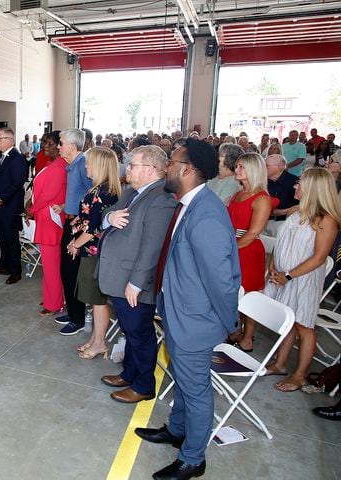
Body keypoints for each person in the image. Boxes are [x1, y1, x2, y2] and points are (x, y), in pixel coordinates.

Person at [136, 138, 241, 480]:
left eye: (172, 161)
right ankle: (178, 430)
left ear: (187, 169)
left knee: (195, 390)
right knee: (182, 378)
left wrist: (229, 323)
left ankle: (193, 459)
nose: (166, 167)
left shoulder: (207, 214)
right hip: (178, 311)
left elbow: (222, 281)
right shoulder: (187, 204)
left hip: (196, 321)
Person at [97, 145, 177, 403]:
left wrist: (136, 283)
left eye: (133, 165)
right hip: (119, 274)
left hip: (133, 279)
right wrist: (110, 217)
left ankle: (143, 385)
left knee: (140, 334)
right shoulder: (133, 191)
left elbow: (152, 247)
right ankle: (130, 373)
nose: (127, 168)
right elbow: (105, 215)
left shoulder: (161, 198)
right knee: (129, 330)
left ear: (151, 170)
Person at [264, 168, 341, 392]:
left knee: (303, 325)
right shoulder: (296, 212)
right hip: (283, 274)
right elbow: (282, 243)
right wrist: (273, 267)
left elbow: (318, 258)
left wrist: (288, 275)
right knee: (287, 322)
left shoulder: (326, 220)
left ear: (314, 189)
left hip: (303, 279)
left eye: (300, 183)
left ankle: (300, 376)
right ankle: (280, 364)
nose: (295, 186)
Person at [68, 147, 121, 359]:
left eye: (89, 163)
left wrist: (75, 244)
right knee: (93, 298)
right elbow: (87, 220)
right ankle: (95, 339)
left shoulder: (104, 193)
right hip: (91, 250)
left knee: (97, 300)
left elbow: (93, 229)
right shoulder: (99, 189)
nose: (86, 166)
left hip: (96, 252)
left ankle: (99, 343)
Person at [228, 153, 274, 352]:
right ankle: (235, 330)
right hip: (233, 245)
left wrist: (230, 249)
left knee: (248, 293)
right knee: (233, 291)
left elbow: (253, 232)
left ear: (253, 170)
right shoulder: (238, 193)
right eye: (237, 166)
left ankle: (248, 337)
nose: (237, 170)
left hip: (248, 250)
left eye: (241, 167)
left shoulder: (262, 198)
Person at [56, 128, 92, 335]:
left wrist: (79, 216)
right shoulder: (73, 165)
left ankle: (77, 318)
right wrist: (65, 206)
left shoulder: (81, 165)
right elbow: (79, 195)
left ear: (71, 145)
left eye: (61, 143)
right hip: (71, 221)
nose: (59, 147)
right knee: (67, 271)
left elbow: (93, 195)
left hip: (79, 226)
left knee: (72, 273)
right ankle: (72, 312)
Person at [27, 131, 67, 316]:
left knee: (51, 265)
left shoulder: (59, 166)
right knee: (49, 264)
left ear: (59, 146)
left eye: (50, 143)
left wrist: (31, 209)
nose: (46, 146)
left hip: (50, 220)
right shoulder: (54, 164)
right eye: (44, 142)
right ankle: (53, 296)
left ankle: (54, 303)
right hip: (45, 218)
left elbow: (48, 195)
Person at [0, 128, 27, 284]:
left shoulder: (17, 158)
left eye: (0, 138)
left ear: (10, 140)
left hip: (10, 205)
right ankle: (4, 266)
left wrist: (1, 199)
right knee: (2, 238)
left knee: (11, 240)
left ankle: (15, 271)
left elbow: (17, 183)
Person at [265, 153, 300, 236]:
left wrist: (282, 212)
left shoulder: (294, 182)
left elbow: (302, 206)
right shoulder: (263, 181)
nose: (263, 168)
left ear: (281, 166)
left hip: (284, 224)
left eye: (267, 166)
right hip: (264, 221)